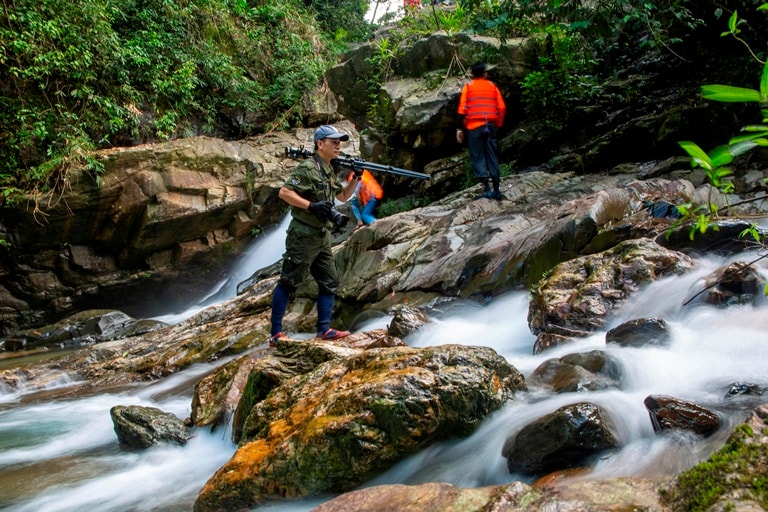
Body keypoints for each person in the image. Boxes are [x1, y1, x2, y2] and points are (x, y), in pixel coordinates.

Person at [268, 125, 361, 346]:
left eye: (340, 141)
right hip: (303, 235)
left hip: (322, 236)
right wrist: (311, 206)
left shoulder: (329, 170)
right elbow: (285, 192)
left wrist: (356, 177)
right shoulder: (308, 168)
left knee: (329, 281)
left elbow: (343, 197)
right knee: (289, 282)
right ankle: (275, 334)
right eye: (333, 141)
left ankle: (324, 330)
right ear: (320, 144)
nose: (338, 145)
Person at [456, 62, 506, 201]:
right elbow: (501, 107)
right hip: (490, 126)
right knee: (492, 155)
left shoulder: (468, 87)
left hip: (474, 128)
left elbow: (462, 109)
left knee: (477, 157)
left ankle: (487, 189)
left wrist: (459, 128)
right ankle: (497, 190)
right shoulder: (492, 86)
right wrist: (498, 123)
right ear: (484, 74)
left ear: (472, 75)